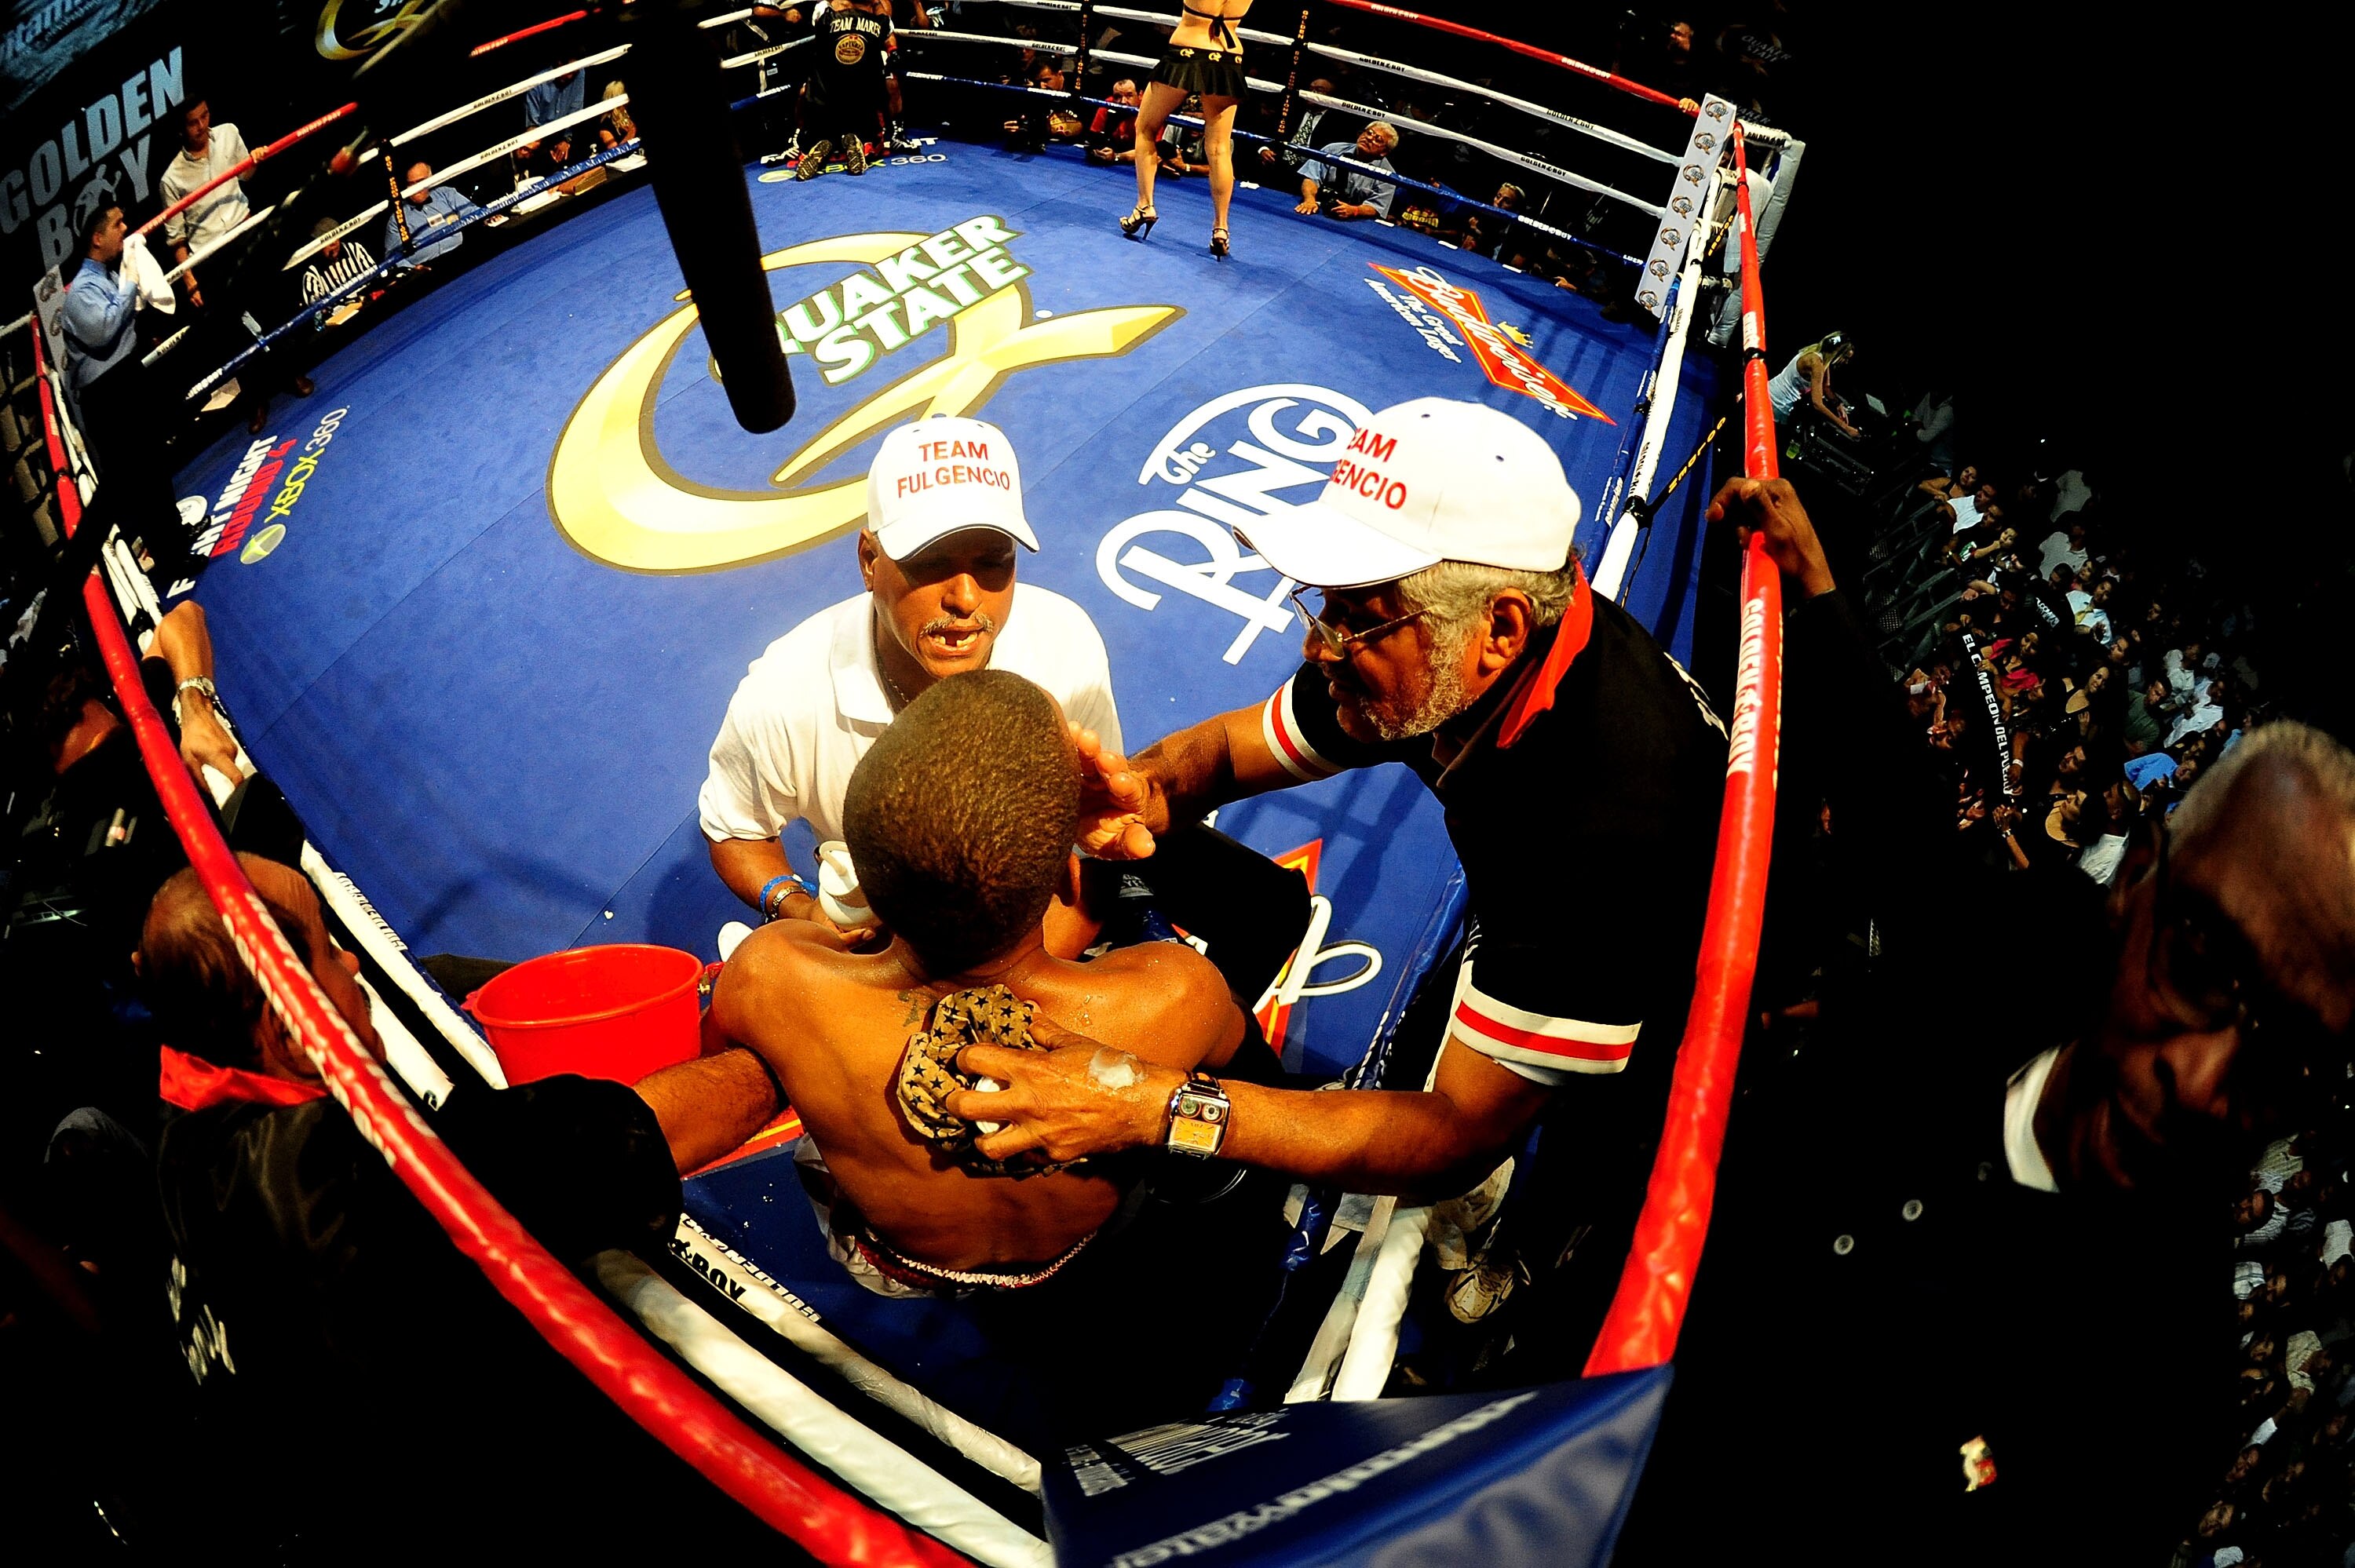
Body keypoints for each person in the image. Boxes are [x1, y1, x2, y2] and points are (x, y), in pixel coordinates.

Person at [1613, 475, 2355, 1562]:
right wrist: (1818, 585)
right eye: (2201, 963)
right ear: (2135, 884)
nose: (2201, 1078)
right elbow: (1905, 826)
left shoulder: (2157, 1403)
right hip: (1602, 1351)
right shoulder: (2030, 948)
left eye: (2284, 1055)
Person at [947, 397, 1730, 1344]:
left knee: (1587, 1145)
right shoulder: (1450, 652)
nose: (1320, 647)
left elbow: (1451, 1133)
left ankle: (1526, 1260)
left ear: (1500, 629)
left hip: (1680, 982)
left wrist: (1157, 1107)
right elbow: (1239, 748)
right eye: (1324, 606)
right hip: (1544, 910)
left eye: (1357, 620)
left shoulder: (1594, 823)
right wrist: (1140, 789)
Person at [141, 853, 787, 1552]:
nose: (353, 964)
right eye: (329, 952)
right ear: (291, 1037)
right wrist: (787, 1054)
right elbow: (629, 1138)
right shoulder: (363, 1183)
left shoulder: (187, 1130)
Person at [713, 669, 1248, 1290]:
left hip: (893, 1261)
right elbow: (1231, 1052)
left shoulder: (772, 975)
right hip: (1078, 1252)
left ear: (856, 881)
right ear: (1063, 881)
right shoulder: (1177, 994)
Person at [699, 415, 1121, 934]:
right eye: (931, 562)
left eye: (993, 562)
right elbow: (735, 829)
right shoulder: (785, 695)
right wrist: (798, 908)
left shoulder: (1067, 645)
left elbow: (1098, 841)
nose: (965, 599)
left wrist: (1001, 983)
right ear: (869, 560)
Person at [1122, 0, 1252, 256]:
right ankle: (1221, 228)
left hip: (1187, 49)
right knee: (1219, 148)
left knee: (1146, 128)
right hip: (1229, 54)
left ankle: (1144, 205)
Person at [795, 0, 893, 180]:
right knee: (872, 137)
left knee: (822, 125)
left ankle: (822, 144)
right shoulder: (878, 20)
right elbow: (887, 30)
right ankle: (861, 143)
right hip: (860, 95)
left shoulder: (825, 13)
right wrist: (877, 4)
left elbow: (821, 17)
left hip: (826, 92)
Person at [1294, 121, 1402, 222]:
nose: (1369, 138)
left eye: (1377, 139)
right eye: (1369, 133)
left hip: (1355, 221)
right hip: (1319, 208)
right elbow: (1311, 178)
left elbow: (1377, 206)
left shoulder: (1388, 174)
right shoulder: (1333, 149)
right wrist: (1309, 199)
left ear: (1384, 152)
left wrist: (1355, 210)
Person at [1765, 330, 1860, 437]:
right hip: (1776, 404)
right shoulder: (1816, 364)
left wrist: (1838, 405)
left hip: (1769, 392)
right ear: (1837, 353)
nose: (1846, 362)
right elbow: (1818, 404)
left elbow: (1825, 386)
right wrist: (1846, 428)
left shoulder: (1816, 352)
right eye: (1845, 358)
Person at [295, 217, 378, 333]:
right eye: (327, 241)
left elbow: (376, 277)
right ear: (316, 247)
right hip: (344, 324)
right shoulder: (312, 276)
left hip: (371, 306)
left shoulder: (354, 249)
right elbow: (317, 314)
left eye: (336, 237)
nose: (334, 243)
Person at [384, 162, 470, 268]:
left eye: (420, 182)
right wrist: (412, 270)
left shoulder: (446, 194)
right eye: (411, 184)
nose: (416, 189)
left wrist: (489, 218)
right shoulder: (397, 218)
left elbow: (472, 212)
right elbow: (392, 256)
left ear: (431, 180)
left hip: (463, 256)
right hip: (427, 270)